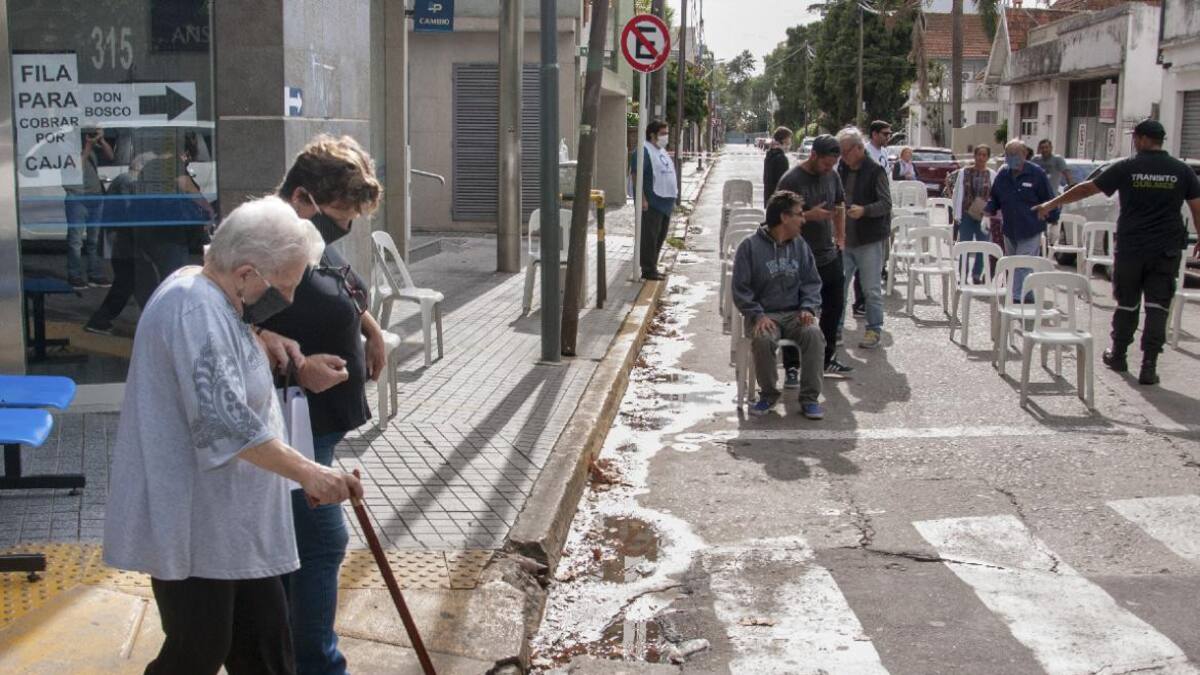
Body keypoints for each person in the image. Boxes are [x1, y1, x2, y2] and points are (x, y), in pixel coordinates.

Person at [103, 196, 364, 675]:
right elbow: (226, 423)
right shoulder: (192, 308)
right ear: (246, 273)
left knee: (266, 649)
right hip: (198, 526)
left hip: (235, 524)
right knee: (197, 651)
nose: (285, 301)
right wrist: (309, 473)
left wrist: (268, 342)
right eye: (281, 287)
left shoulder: (209, 293)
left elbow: (228, 363)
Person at [256, 135, 387, 675]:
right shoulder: (264, 240)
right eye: (341, 212)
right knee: (319, 546)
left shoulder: (306, 233)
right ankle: (315, 665)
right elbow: (233, 320)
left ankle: (295, 658)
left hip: (320, 425)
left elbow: (342, 282)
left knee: (310, 548)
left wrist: (371, 328)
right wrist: (297, 363)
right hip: (290, 424)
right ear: (304, 196)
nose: (347, 224)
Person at [1035, 119, 1200, 386]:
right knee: (1158, 305)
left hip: (1132, 247)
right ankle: (1149, 365)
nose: (1134, 142)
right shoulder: (1181, 171)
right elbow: (1196, 206)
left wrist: (1052, 203)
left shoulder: (1128, 167)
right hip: (1166, 249)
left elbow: (1088, 188)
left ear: (1144, 139)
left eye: (1136, 138)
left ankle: (1119, 355)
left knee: (1127, 302)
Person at [731, 190, 825, 419]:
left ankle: (810, 398)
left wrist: (807, 308)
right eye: (799, 215)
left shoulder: (800, 246)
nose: (803, 220)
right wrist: (757, 314)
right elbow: (741, 289)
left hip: (795, 314)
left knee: (813, 334)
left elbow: (812, 282)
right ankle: (768, 395)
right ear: (784, 217)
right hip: (765, 315)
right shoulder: (750, 247)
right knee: (763, 338)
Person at [777, 135, 853, 377]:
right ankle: (792, 365)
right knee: (797, 310)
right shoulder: (792, 180)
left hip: (828, 254)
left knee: (834, 306)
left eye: (832, 164)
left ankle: (826, 358)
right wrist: (809, 215)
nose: (828, 169)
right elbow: (779, 218)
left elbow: (840, 205)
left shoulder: (833, 175)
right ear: (813, 156)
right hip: (798, 256)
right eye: (825, 164)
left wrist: (840, 238)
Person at [836, 127, 891, 350]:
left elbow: (886, 204)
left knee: (871, 289)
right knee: (838, 287)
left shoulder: (875, 170)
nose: (843, 156)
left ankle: (873, 329)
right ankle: (835, 328)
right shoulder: (842, 168)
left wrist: (864, 210)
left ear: (859, 148)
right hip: (844, 238)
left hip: (868, 239)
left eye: (846, 151)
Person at [984, 139, 1058, 300]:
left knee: (1022, 265)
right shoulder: (1003, 174)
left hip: (1030, 228)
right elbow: (995, 197)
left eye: (1015, 155)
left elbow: (1049, 199)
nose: (1011, 158)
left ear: (1024, 154)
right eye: (1008, 155)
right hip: (1010, 228)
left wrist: (1054, 221)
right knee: (1013, 265)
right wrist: (987, 213)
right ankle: (1028, 296)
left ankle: (1016, 298)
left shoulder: (1036, 174)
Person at [65, 128, 114, 289]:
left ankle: (95, 274)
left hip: (95, 197)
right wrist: (87, 146)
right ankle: (75, 275)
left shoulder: (92, 149)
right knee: (76, 240)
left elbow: (111, 156)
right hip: (77, 198)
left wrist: (102, 141)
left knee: (95, 240)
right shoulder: (65, 150)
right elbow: (76, 167)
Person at [631, 120, 678, 280]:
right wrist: (642, 199)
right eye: (663, 134)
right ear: (652, 135)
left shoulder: (661, 151)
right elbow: (636, 175)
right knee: (649, 238)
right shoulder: (643, 150)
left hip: (665, 203)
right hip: (652, 203)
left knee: (660, 236)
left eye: (666, 133)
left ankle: (653, 266)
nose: (666, 137)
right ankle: (648, 269)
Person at [953, 145, 998, 284]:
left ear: (988, 157)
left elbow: (995, 195)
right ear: (974, 156)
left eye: (984, 155)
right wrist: (957, 214)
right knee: (964, 245)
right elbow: (958, 192)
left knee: (982, 245)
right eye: (979, 154)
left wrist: (990, 213)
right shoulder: (964, 172)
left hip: (983, 216)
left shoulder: (992, 174)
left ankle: (977, 274)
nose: (981, 157)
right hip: (966, 213)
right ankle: (963, 274)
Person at [763, 126, 793, 207]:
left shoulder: (770, 154)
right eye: (789, 138)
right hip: (778, 202)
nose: (791, 141)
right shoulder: (781, 158)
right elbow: (782, 182)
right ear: (784, 139)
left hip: (769, 198)